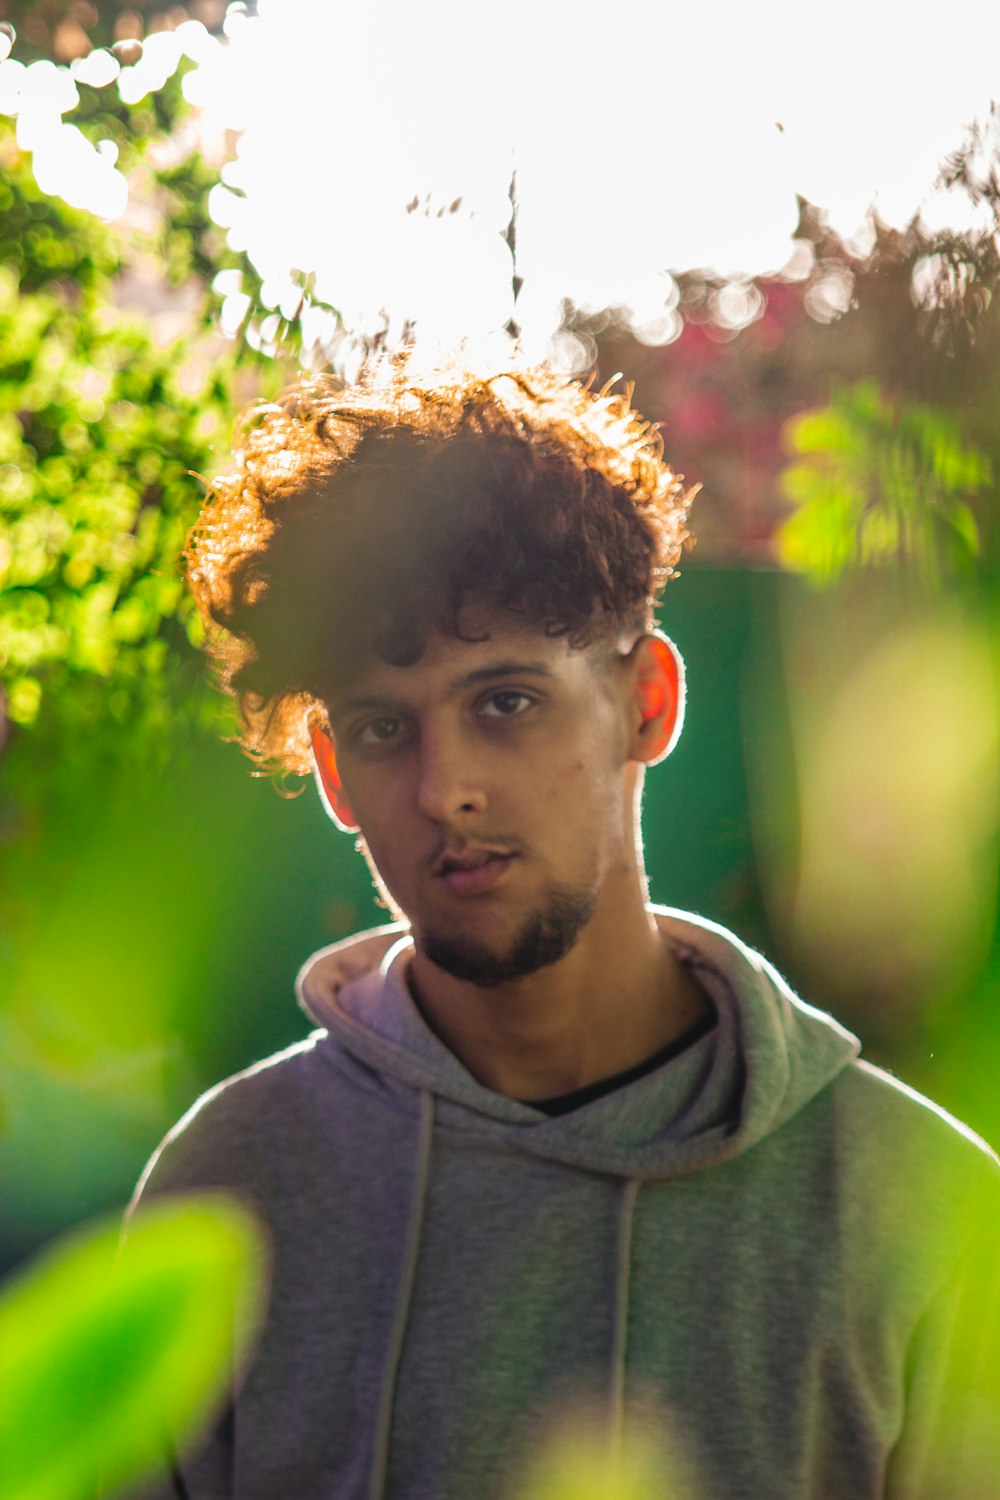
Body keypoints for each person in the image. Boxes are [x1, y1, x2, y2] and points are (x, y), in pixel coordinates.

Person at [129, 359, 1000, 1500]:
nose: (448, 791)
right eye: (386, 729)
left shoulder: (921, 1208)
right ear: (335, 777)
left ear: (645, 703)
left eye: (506, 703)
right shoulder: (228, 1189)